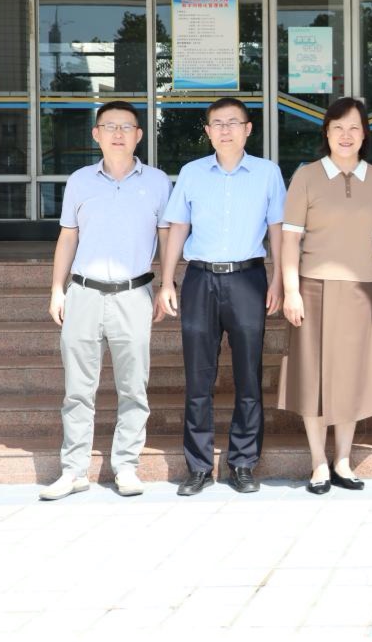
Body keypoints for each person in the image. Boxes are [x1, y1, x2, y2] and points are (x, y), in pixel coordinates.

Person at [40, 101, 171, 501]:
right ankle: (74, 470)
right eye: (109, 126)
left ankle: (126, 466)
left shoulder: (158, 182)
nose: (117, 133)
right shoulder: (80, 181)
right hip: (83, 293)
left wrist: (168, 284)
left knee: (134, 388)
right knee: (78, 390)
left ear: (139, 135)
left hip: (133, 294)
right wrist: (57, 288)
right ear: (95, 134)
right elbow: (68, 236)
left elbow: (166, 237)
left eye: (126, 126)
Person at [158, 97, 286, 496]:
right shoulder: (192, 173)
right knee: (198, 378)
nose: (225, 129)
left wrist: (279, 280)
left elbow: (278, 229)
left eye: (233, 122)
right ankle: (198, 467)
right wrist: (167, 281)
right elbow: (178, 227)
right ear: (208, 131)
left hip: (248, 279)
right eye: (218, 123)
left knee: (249, 375)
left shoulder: (267, 173)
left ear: (248, 129)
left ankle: (243, 463)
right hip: (200, 280)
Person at [278, 98, 372, 494]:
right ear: (326, 133)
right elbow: (290, 239)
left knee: (352, 377)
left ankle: (343, 460)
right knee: (312, 377)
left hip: (363, 289)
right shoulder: (306, 176)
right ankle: (318, 462)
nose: (346, 135)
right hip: (312, 288)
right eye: (338, 128)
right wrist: (291, 290)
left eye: (354, 128)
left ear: (365, 135)